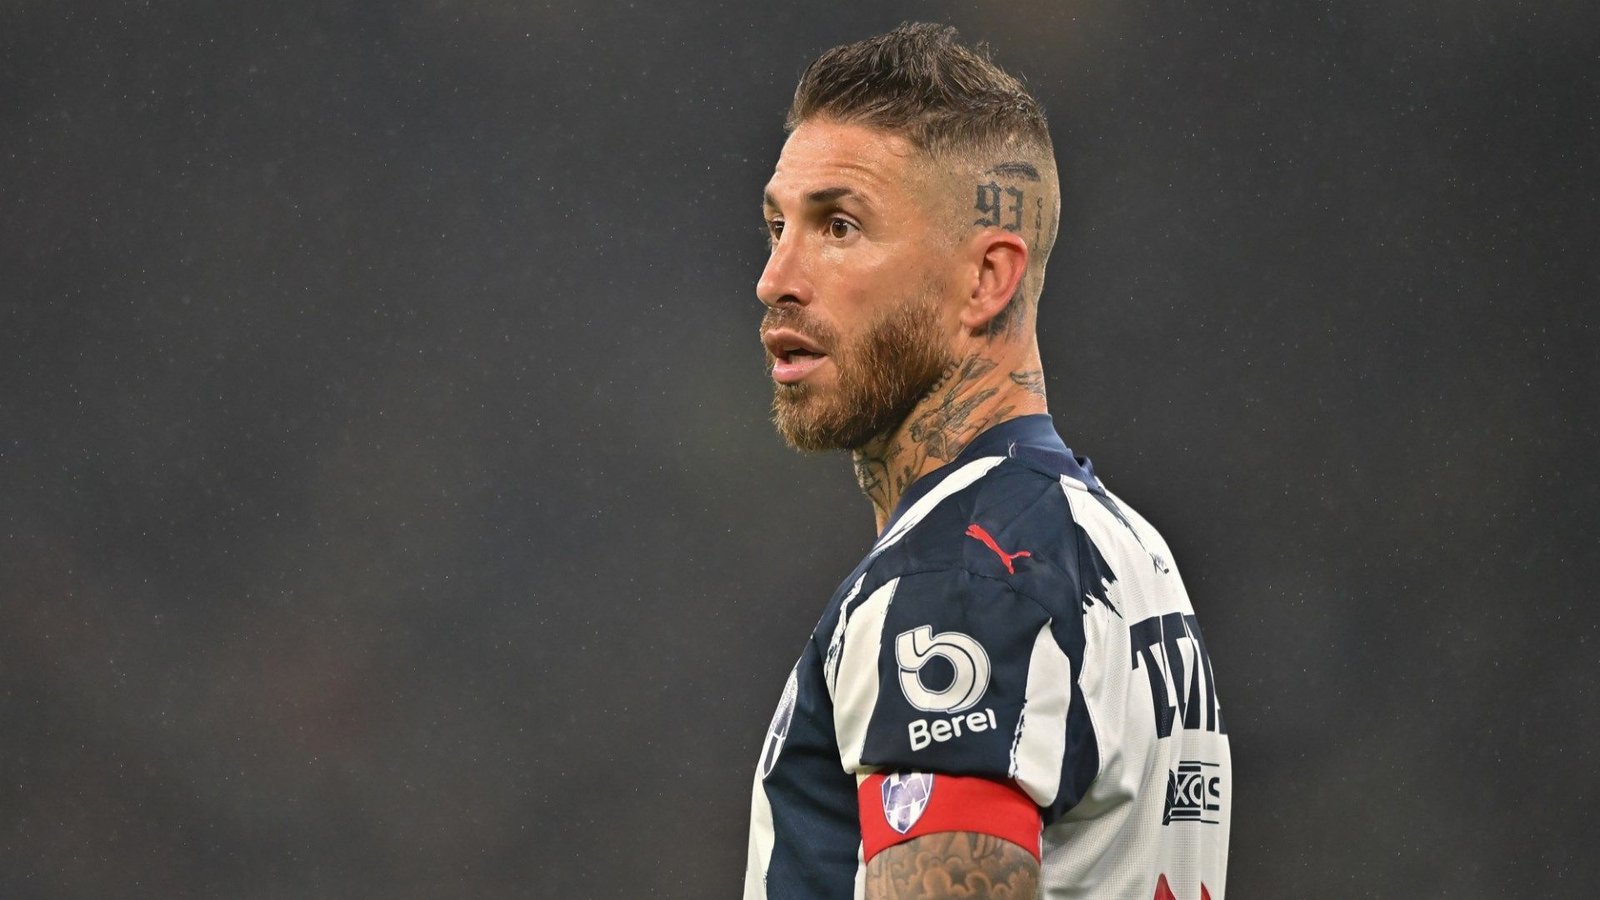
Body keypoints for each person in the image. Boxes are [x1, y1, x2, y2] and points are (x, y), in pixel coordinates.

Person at [744, 23, 1231, 900]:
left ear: (986, 280)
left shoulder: (959, 579)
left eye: (839, 226)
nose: (776, 277)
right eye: (778, 226)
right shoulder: (1119, 544)